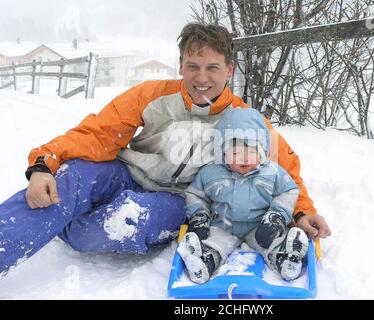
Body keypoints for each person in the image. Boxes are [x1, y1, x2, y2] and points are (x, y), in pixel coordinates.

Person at [0, 23, 331, 278]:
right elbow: (98, 134)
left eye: (212, 67)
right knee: (69, 177)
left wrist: (302, 212)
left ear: (229, 69)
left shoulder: (243, 120)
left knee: (126, 219)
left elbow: (282, 168)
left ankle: (66, 224)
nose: (201, 78)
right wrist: (44, 164)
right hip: (126, 173)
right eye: (193, 66)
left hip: (178, 199)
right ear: (181, 65)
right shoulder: (152, 95)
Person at [178, 107, 310, 284]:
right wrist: (199, 214)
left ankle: (287, 258)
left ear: (263, 150)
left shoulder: (271, 172)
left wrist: (277, 216)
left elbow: (288, 191)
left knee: (272, 242)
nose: (244, 159)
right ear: (222, 151)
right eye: (235, 153)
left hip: (260, 226)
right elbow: (195, 194)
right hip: (223, 225)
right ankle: (202, 261)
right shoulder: (210, 172)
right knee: (214, 242)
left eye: (252, 152)